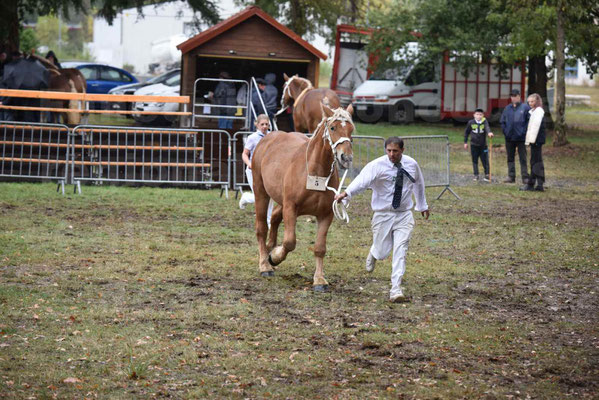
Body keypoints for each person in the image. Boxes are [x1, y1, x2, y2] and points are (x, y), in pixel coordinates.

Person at [335, 137, 429, 303]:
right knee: (382, 251)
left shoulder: (412, 164)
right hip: (382, 214)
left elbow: (418, 184)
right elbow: (361, 181)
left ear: (402, 150)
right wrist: (346, 193)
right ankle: (374, 252)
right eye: (389, 151)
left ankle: (396, 289)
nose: (392, 154)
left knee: (401, 250)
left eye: (395, 151)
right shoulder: (376, 165)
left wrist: (422, 205)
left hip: (404, 214)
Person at [239, 114, 274, 223]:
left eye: (266, 124)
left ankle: (268, 220)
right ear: (257, 125)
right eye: (262, 124)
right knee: (259, 196)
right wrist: (249, 164)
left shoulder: (272, 136)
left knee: (271, 194)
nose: (264, 126)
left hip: (267, 171)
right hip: (253, 171)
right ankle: (246, 197)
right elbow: (245, 154)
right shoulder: (252, 138)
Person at [500, 89, 530, 184]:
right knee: (510, 157)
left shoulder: (525, 108)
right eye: (512, 96)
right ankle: (511, 176)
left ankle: (525, 177)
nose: (513, 97)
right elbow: (502, 121)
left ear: (519, 96)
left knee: (523, 158)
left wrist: (524, 132)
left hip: (521, 138)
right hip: (509, 137)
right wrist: (505, 131)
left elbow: (529, 121)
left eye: (515, 95)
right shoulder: (507, 108)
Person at [520, 93, 546, 192]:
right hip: (536, 140)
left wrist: (531, 140)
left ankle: (532, 185)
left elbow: (535, 128)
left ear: (537, 101)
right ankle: (539, 184)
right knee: (537, 162)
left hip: (537, 140)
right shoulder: (534, 111)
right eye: (529, 101)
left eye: (532, 101)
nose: (530, 103)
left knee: (535, 162)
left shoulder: (538, 111)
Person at [464, 108, 494, 182]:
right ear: (474, 115)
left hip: (483, 145)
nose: (479, 116)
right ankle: (476, 174)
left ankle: (487, 174)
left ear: (483, 115)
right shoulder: (471, 122)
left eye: (480, 114)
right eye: (477, 114)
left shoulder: (484, 122)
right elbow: (466, 132)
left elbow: (487, 128)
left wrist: (489, 133)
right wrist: (465, 142)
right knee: (475, 160)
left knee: (485, 160)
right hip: (474, 145)